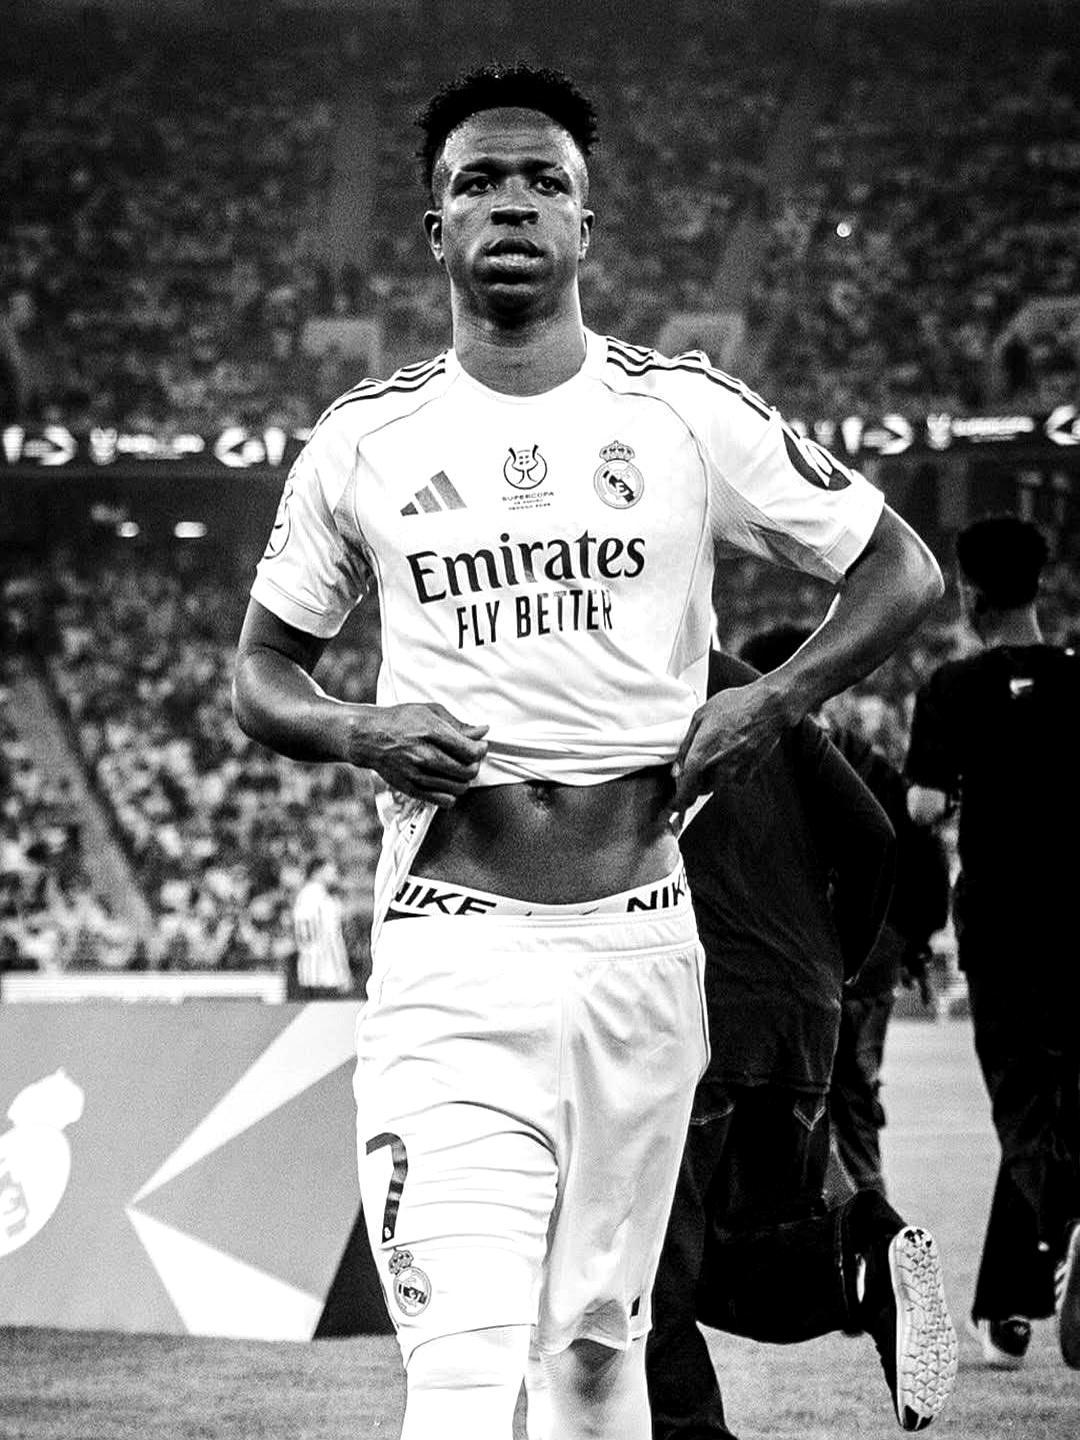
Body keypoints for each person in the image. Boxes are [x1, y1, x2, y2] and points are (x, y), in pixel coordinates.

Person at [232, 63, 944, 1440]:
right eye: (477, 182)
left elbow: (901, 571)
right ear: (435, 228)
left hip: (643, 952)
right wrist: (362, 728)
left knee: (600, 1360)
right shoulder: (365, 440)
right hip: (453, 957)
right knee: (461, 1363)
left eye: (542, 181)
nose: (511, 202)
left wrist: (770, 702)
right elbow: (261, 675)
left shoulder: (683, 412)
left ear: (585, 225)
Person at [644, 646, 957, 1440]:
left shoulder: (618, 669)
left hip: (685, 1004)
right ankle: (862, 1257)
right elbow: (874, 835)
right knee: (738, 1258)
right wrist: (830, 969)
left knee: (645, 1277)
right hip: (800, 1018)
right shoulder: (759, 694)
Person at [906, 512, 1080, 1372]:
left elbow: (924, 806)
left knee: (1023, 1111)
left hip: (1004, 931)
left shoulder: (953, 687)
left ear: (970, 594)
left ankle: (1049, 1248)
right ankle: (1009, 1303)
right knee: (1065, 1108)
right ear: (1039, 585)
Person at [740, 624, 951, 1201]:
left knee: (810, 1113)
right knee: (850, 1109)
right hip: (862, 965)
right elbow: (921, 851)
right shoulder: (865, 760)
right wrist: (907, 940)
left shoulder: (784, 760)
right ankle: (863, 1231)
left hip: (816, 966)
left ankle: (867, 1236)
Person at [291, 858, 354, 998]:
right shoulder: (325, 900)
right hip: (327, 974)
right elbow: (333, 938)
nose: (335, 874)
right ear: (318, 872)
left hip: (305, 971)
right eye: (332, 870)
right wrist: (344, 973)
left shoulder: (301, 896)